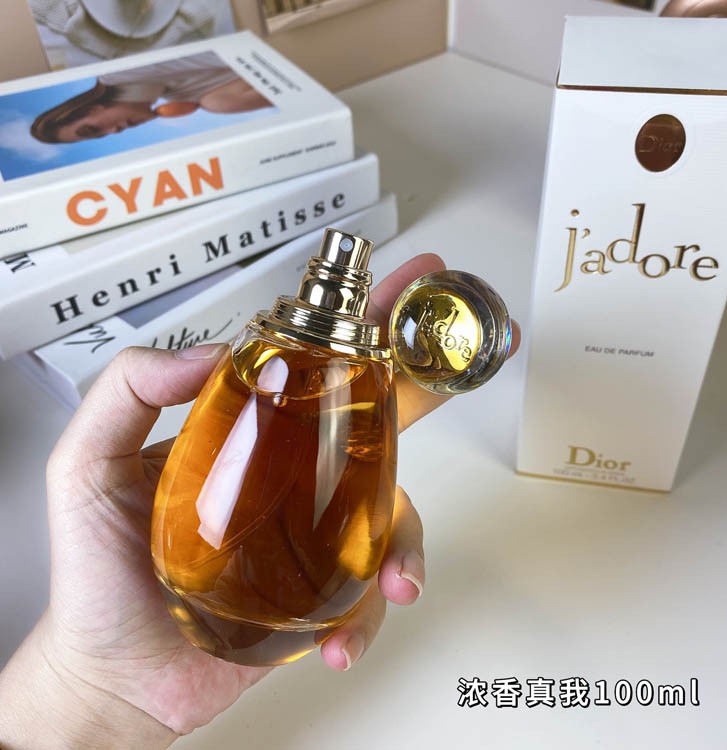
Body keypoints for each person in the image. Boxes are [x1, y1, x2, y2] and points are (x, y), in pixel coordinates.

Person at [0, 253, 519, 747]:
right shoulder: (268, 356)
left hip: (266, 616)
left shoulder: (355, 376)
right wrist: (93, 687)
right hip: (198, 596)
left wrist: (92, 696)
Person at [31, 50, 272, 144]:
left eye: (92, 129)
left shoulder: (120, 68)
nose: (114, 132)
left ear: (88, 110)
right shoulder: (185, 97)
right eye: (100, 136)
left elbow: (231, 47)